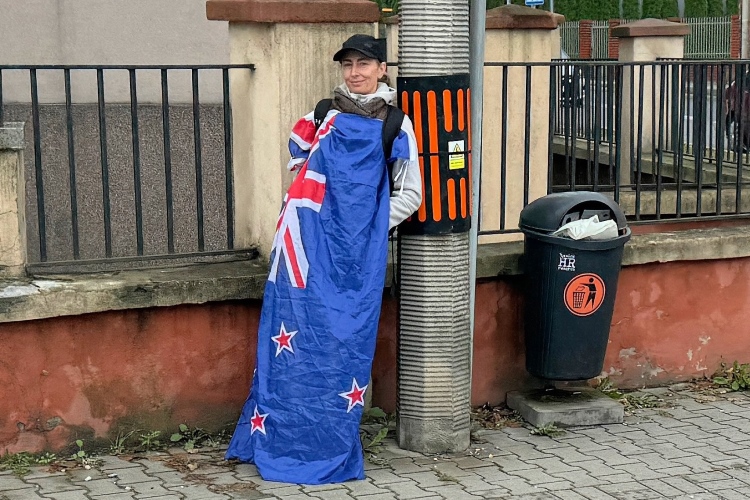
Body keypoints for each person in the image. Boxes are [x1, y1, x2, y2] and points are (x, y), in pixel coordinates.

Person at [225, 34, 422, 484]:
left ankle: (328, 443)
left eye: (364, 64)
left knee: (340, 345)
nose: (355, 72)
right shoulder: (321, 115)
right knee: (292, 345)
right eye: (348, 64)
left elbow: (410, 194)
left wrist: (365, 230)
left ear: (382, 69)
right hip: (305, 254)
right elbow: (302, 181)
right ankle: (279, 435)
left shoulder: (396, 125)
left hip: (355, 260)